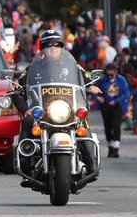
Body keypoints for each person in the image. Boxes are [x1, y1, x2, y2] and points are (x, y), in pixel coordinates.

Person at [10, 30, 100, 188]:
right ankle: (25, 165)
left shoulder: (73, 67)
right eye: (49, 45)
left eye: (57, 45)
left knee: (82, 122)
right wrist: (26, 109)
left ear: (62, 48)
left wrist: (91, 87)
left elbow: (85, 80)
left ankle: (91, 164)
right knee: (28, 121)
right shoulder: (32, 69)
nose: (53, 48)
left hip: (67, 110)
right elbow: (17, 91)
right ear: (42, 48)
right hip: (43, 112)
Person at [95, 63, 130, 158]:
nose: (110, 76)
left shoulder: (121, 80)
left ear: (116, 72)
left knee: (116, 126)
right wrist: (98, 97)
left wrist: (117, 101)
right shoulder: (102, 80)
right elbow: (95, 89)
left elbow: (126, 94)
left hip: (117, 106)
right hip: (105, 105)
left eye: (112, 75)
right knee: (107, 126)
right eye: (108, 74)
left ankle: (116, 147)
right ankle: (110, 144)